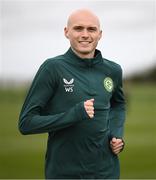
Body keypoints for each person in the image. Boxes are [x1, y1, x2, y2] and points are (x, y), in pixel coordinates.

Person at [19, 9, 126, 179]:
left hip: (107, 173)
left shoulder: (113, 70)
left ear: (100, 34)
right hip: (65, 173)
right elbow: (26, 123)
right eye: (78, 28)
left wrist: (116, 135)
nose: (85, 34)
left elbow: (118, 105)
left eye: (91, 29)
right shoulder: (52, 68)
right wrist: (73, 114)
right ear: (66, 32)